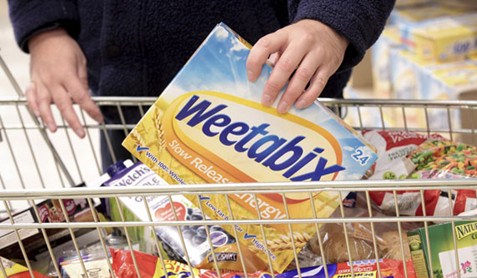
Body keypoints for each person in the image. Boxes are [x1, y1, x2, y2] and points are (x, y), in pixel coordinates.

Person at [8, 1, 395, 170]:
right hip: (129, 109)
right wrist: (47, 29)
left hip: (277, 107)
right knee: (145, 272)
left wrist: (328, 23)